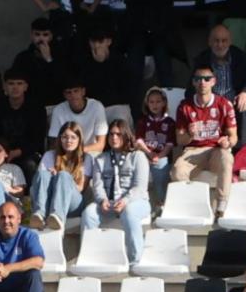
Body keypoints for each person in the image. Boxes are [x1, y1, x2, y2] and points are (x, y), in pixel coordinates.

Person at [172, 62, 238, 215]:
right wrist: (189, 135)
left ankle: (221, 204)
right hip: (193, 150)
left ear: (214, 81)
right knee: (177, 171)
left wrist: (227, 141)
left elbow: (234, 136)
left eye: (207, 78)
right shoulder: (185, 106)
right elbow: (179, 140)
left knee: (227, 157)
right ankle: (192, 206)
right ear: (193, 82)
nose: (202, 82)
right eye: (198, 79)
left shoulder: (224, 104)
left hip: (215, 149)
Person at [82, 120, 151, 262]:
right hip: (109, 202)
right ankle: (90, 257)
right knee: (89, 213)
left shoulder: (138, 156)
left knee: (130, 211)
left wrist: (125, 201)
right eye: (111, 134)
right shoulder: (101, 159)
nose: (114, 138)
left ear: (126, 135)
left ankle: (136, 259)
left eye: (118, 134)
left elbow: (140, 187)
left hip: (136, 202)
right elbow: (98, 185)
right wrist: (102, 200)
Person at [195, 24, 246, 148]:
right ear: (209, 42)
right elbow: (190, 88)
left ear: (230, 41)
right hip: (210, 105)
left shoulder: (239, 56)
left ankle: (243, 148)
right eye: (216, 41)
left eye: (224, 40)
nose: (220, 45)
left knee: (245, 104)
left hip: (234, 103)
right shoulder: (202, 59)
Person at [31, 121, 96, 231]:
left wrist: (60, 178)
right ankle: (39, 215)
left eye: (73, 137)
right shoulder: (49, 155)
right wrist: (51, 177)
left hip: (73, 203)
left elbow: (81, 188)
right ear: (60, 139)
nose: (69, 141)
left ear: (79, 140)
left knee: (63, 175)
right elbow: (39, 183)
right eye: (65, 137)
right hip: (49, 199)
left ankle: (58, 217)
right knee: (43, 174)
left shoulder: (87, 158)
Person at [0, 68, 46, 184]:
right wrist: (3, 153)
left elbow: (38, 140)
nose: (15, 87)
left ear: (26, 86)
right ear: (4, 86)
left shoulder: (36, 108)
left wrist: (17, 152)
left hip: (28, 153)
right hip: (2, 152)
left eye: (19, 83)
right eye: (11, 84)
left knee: (29, 165)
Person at [10, 17, 67, 108]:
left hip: (57, 105)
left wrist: (49, 59)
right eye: (37, 34)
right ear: (31, 35)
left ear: (51, 36)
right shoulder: (23, 57)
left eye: (45, 35)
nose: (41, 39)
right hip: (31, 106)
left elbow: (64, 81)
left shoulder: (62, 55)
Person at [135, 86, 174, 205]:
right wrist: (149, 153)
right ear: (147, 103)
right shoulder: (142, 121)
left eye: (158, 101)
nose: (154, 105)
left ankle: (161, 201)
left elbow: (170, 144)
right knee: (138, 161)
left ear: (164, 103)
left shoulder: (170, 122)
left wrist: (159, 156)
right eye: (151, 102)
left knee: (160, 166)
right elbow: (139, 141)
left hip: (162, 156)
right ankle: (139, 200)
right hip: (146, 153)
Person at [48, 76, 108, 153]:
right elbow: (54, 144)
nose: (73, 96)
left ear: (83, 92)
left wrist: (77, 152)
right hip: (66, 154)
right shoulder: (58, 110)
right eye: (68, 92)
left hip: (90, 152)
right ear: (64, 95)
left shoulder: (97, 107)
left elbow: (100, 145)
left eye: (76, 91)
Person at [79, 28, 129, 114]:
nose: (96, 45)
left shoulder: (120, 60)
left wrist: (103, 64)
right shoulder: (85, 62)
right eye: (93, 42)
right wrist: (98, 64)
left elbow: (124, 89)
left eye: (100, 41)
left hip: (117, 105)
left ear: (109, 42)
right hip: (94, 108)